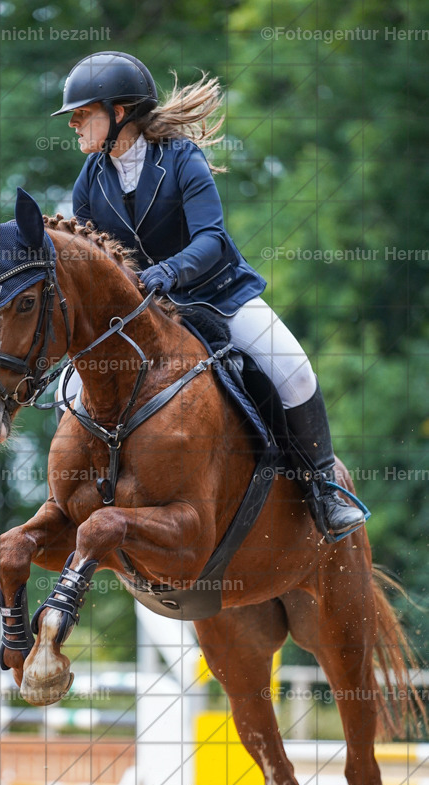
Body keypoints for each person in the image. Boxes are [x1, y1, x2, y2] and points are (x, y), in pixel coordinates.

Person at [50, 50, 366, 540]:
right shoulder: (89, 181)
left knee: (294, 368)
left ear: (119, 112)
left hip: (217, 295)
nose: (73, 124)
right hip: (144, 317)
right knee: (68, 390)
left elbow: (212, 239)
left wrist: (167, 273)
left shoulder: (179, 158)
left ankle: (323, 487)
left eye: (81, 113)